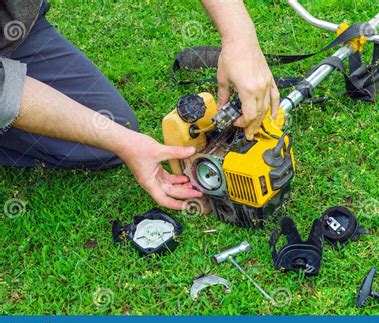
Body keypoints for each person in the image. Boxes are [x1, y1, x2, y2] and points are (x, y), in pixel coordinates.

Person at [0, 0, 280, 210]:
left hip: (16, 30)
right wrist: (126, 144)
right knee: (109, 136)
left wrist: (240, 38)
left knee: (110, 127)